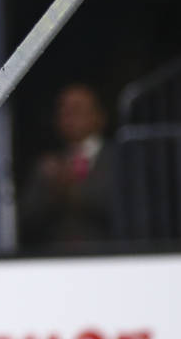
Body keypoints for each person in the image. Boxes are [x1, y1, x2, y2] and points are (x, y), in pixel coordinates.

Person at [18, 81, 116, 250]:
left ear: (99, 116)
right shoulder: (47, 165)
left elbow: (123, 208)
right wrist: (50, 189)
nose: (68, 117)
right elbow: (24, 218)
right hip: (59, 261)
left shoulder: (118, 158)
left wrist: (71, 190)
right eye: (63, 111)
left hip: (110, 257)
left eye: (76, 110)